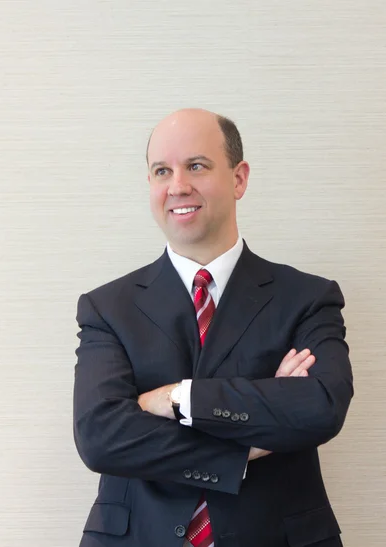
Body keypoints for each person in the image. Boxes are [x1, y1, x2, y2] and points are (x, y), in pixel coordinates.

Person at [72, 108, 353, 547]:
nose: (178, 185)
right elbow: (100, 437)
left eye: (196, 166)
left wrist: (174, 398)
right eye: (162, 170)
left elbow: (319, 407)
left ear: (239, 179)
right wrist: (247, 446)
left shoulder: (307, 297)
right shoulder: (108, 307)